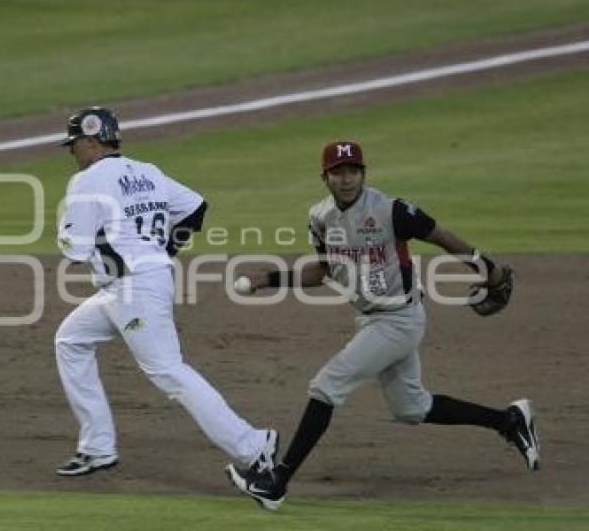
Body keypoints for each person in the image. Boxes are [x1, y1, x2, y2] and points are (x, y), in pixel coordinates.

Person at [225, 141, 539, 510]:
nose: (347, 180)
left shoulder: (391, 210)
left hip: (400, 319)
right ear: (324, 177)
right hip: (370, 319)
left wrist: (487, 267)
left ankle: (277, 482)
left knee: (327, 385)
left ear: (363, 173)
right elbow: (325, 269)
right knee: (411, 407)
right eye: (339, 173)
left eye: (353, 171)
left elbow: (441, 236)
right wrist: (272, 279)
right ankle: (509, 420)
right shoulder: (320, 217)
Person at [53, 106, 277, 477]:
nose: (71, 152)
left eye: (73, 144)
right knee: (70, 340)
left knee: (168, 371)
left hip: (133, 289)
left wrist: (83, 236)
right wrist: (162, 249)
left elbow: (72, 250)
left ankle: (252, 445)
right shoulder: (147, 171)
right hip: (135, 283)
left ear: (90, 142)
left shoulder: (88, 181)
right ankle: (97, 447)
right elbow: (195, 208)